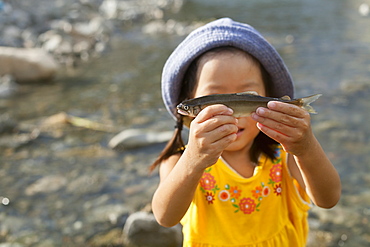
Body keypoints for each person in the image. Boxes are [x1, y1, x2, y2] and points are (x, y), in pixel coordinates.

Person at [150, 18, 341, 247]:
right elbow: (165, 217)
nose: (231, 113)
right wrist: (193, 159)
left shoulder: (284, 157)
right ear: (189, 106)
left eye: (246, 95)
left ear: (266, 98)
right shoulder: (179, 162)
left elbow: (328, 199)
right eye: (216, 98)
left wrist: (306, 146)